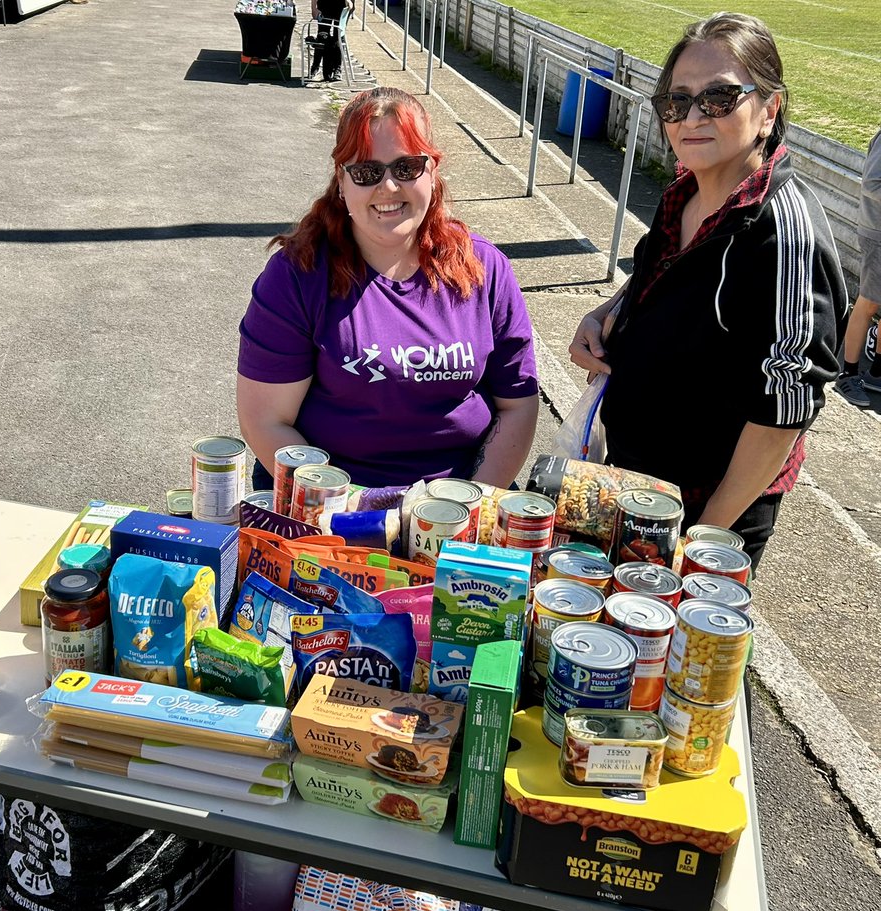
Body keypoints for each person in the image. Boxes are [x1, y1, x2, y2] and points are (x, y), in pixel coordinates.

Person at [568, 12, 847, 569]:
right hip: (635, 478)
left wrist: (700, 541)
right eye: (677, 101)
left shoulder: (781, 230)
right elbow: (655, 274)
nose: (692, 117)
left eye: (718, 98)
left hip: (705, 508)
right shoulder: (685, 192)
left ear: (769, 110)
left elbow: (785, 407)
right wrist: (603, 314)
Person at [237, 86, 539, 491]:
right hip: (331, 500)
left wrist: (471, 503)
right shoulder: (297, 275)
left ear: (432, 171)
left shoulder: (484, 268)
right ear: (342, 182)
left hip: (461, 498)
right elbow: (266, 421)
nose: (389, 187)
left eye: (406, 167)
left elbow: (517, 405)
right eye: (367, 172)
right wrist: (351, 509)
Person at [834, 125, 881, 407]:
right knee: (869, 302)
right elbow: (872, 184)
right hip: (878, 233)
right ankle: (847, 374)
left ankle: (877, 373)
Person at [308, 0, 352, 83]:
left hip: (340, 6)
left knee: (338, 38)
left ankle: (337, 68)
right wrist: (313, 8)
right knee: (322, 37)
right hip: (324, 5)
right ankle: (315, 66)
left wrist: (349, 2)